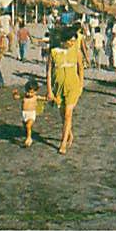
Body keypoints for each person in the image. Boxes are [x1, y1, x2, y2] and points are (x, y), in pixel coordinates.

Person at [47, 26, 84, 154]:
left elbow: (81, 68)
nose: (72, 43)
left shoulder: (76, 51)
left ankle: (63, 143)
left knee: (68, 114)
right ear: (64, 40)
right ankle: (69, 133)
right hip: (58, 87)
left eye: (74, 41)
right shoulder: (53, 52)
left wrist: (81, 86)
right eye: (70, 41)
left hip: (73, 86)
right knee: (63, 115)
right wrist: (49, 90)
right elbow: (48, 71)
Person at [20, 79, 39, 147]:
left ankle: (29, 138)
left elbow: (45, 98)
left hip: (31, 114)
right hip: (24, 114)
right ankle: (27, 135)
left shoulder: (35, 97)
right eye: (28, 92)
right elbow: (16, 97)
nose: (29, 94)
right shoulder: (24, 96)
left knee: (28, 125)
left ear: (36, 92)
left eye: (31, 92)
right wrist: (14, 94)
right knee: (26, 127)